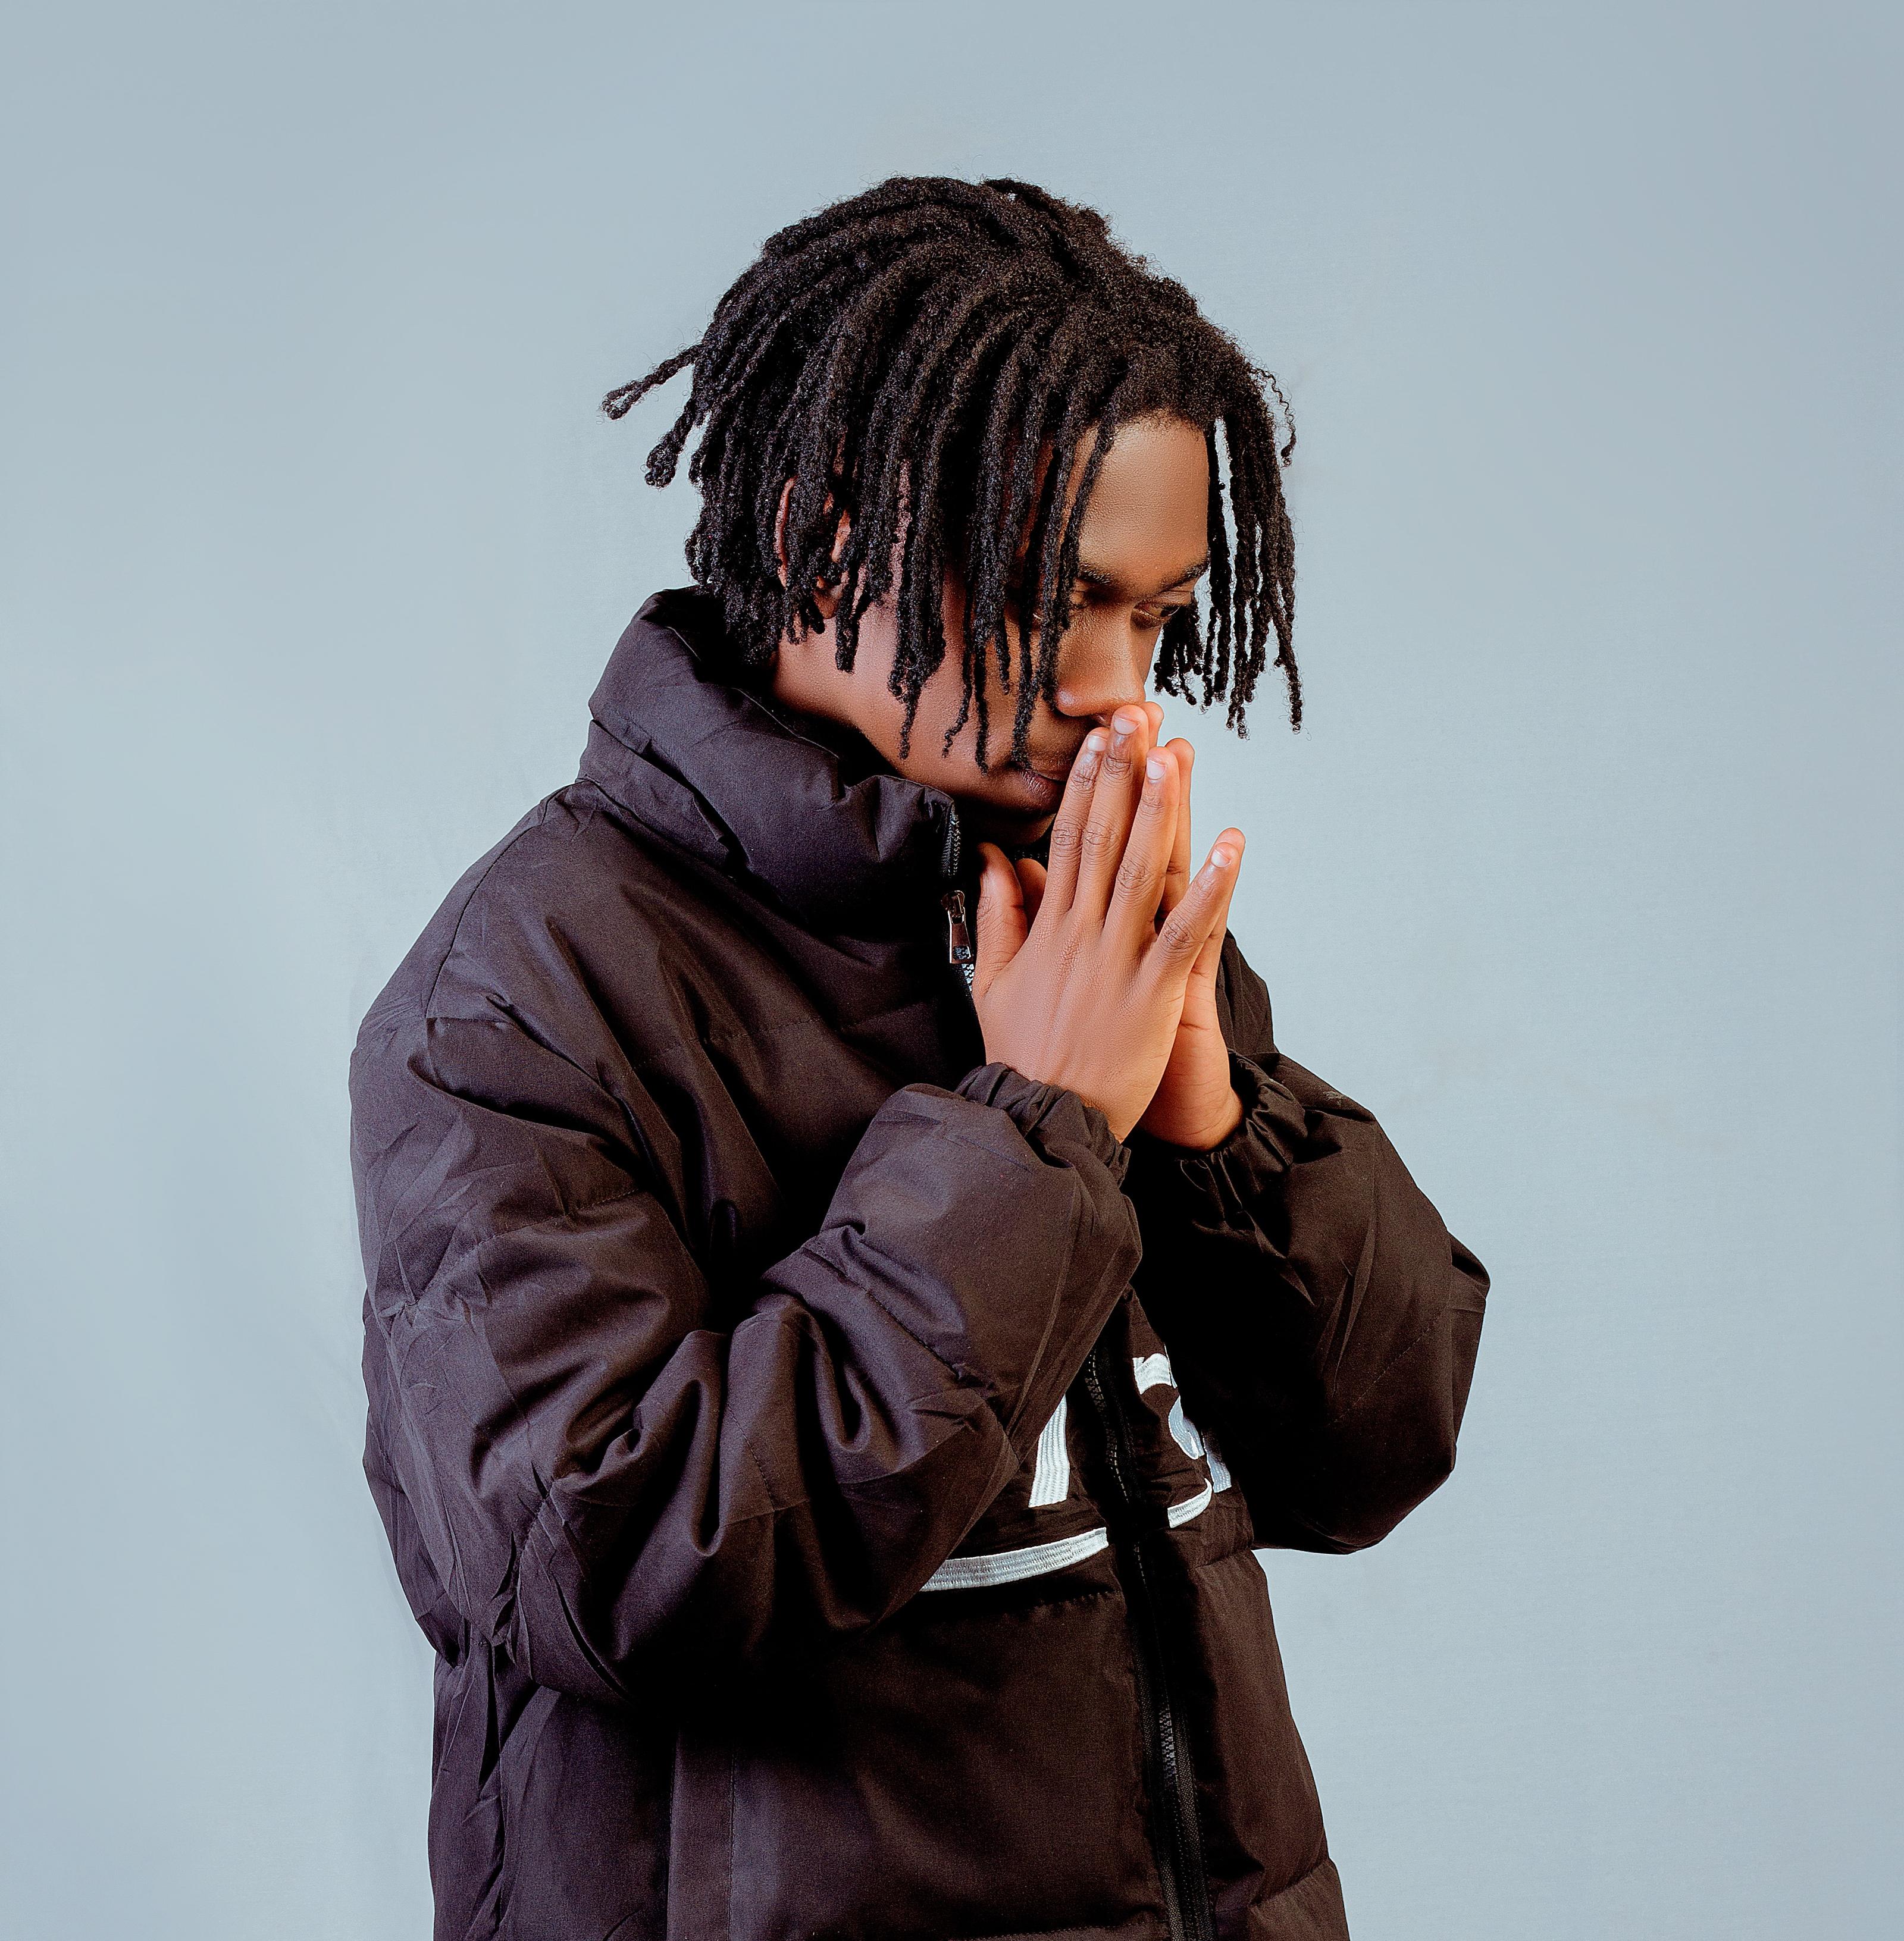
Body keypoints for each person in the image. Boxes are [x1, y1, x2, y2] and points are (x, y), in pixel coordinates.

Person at [350, 175, 1490, 1941]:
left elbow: (1371, 1456)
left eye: (1167, 620)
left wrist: (1212, 1124)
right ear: (818, 538)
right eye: (1061, 599)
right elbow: (605, 1576)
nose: (1126, 693)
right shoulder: (521, 998)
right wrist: (1032, 1139)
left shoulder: (1062, 910)